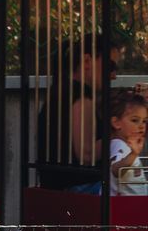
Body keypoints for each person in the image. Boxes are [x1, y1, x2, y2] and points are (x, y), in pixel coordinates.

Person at [37, 32, 119, 182]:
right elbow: (86, 155)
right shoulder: (80, 95)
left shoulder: (63, 91)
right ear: (87, 61)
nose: (113, 75)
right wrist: (121, 133)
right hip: (79, 191)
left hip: (58, 192)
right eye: (110, 66)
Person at [106, 88, 148, 196]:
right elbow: (116, 170)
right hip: (126, 206)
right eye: (135, 120)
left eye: (144, 121)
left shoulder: (126, 144)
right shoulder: (119, 145)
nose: (141, 125)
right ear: (116, 123)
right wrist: (133, 154)